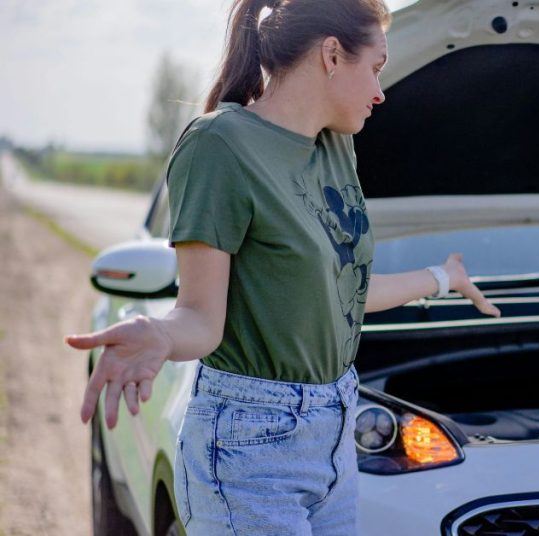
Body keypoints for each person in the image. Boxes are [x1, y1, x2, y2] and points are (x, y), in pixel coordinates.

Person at [64, 0, 500, 533]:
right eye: (377, 67)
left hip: (337, 433)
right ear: (332, 55)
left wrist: (441, 278)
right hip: (251, 446)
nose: (381, 92)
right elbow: (201, 317)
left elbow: (345, 295)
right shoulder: (219, 145)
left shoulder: (337, 148)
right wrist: (157, 332)